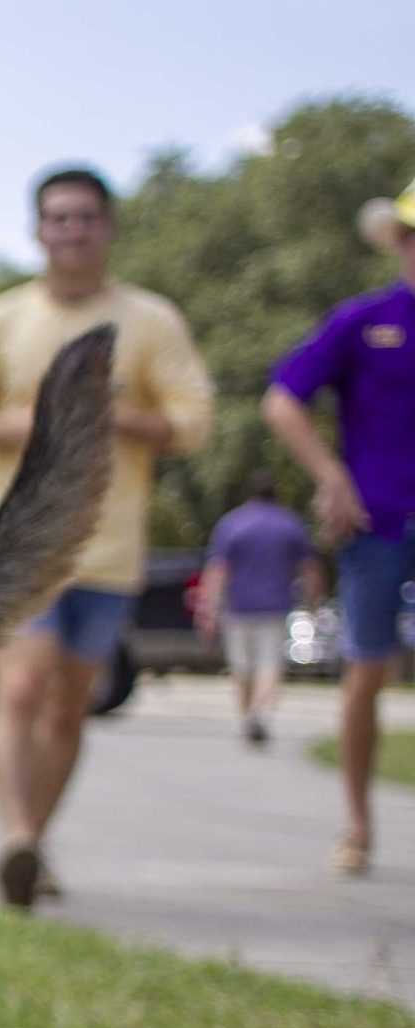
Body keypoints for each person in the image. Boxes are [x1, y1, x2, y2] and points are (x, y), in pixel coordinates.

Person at [0, 164, 214, 910]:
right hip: (19, 539)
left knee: (68, 705)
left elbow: (193, 422)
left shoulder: (149, 320)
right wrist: (47, 413)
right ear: (37, 230)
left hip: (110, 545)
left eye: (85, 217)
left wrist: (108, 412)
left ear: (107, 228)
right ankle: (18, 837)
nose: (71, 230)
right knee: (22, 684)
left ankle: (35, 839)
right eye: (57, 218)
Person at [262, 178, 415, 876]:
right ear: (399, 242)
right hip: (378, 522)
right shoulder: (366, 321)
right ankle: (357, 826)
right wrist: (331, 476)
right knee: (366, 670)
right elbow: (283, 399)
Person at [196, 474, 319, 746]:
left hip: (237, 607)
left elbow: (218, 571)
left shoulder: (231, 523)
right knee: (269, 666)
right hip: (275, 607)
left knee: (241, 667)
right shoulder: (291, 524)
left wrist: (208, 608)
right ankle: (260, 714)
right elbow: (309, 569)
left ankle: (246, 718)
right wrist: (313, 603)